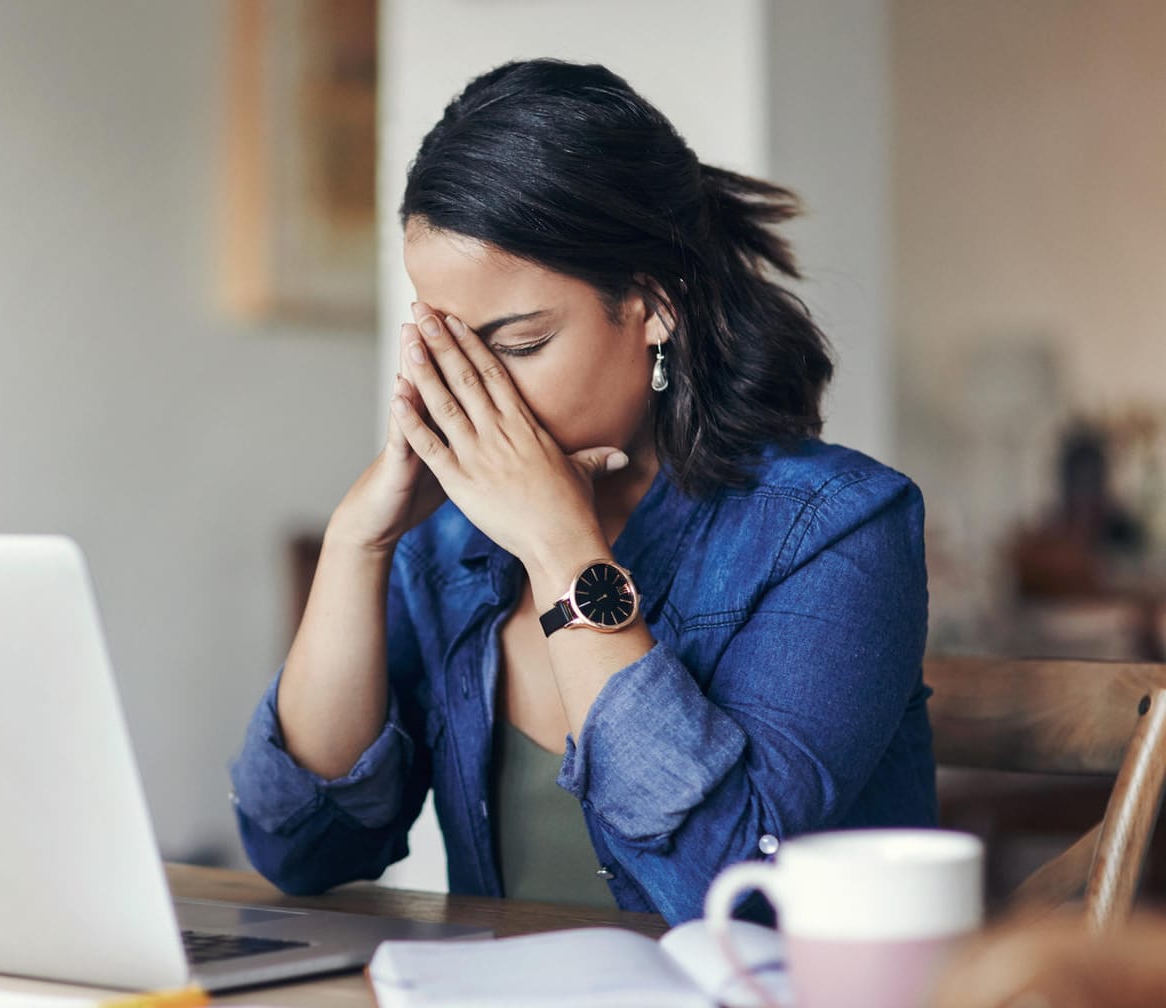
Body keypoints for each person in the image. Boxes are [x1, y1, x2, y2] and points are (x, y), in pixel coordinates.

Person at [228, 59, 935, 924]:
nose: (480, 391)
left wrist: (562, 548)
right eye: (452, 346)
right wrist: (358, 544)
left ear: (652, 304)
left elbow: (723, 894)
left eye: (519, 342)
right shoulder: (449, 545)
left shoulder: (834, 528)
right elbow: (301, 849)